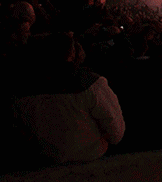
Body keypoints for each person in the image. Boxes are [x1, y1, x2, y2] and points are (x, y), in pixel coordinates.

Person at [12, 33, 126, 165]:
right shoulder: (92, 85)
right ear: (72, 54)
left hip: (42, 162)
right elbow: (116, 132)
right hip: (93, 159)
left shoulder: (22, 89)